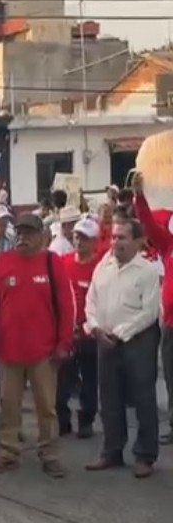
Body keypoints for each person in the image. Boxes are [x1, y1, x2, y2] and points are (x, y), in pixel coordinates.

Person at [0, 213, 74, 478]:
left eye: (29, 233)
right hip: (9, 351)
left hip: (43, 352)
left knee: (46, 407)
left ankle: (50, 454)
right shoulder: (0, 263)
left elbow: (66, 306)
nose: (23, 237)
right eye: (19, 232)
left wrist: (63, 343)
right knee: (9, 405)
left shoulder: (50, 262)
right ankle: (8, 453)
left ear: (42, 236)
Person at [84, 218, 161, 478]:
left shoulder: (148, 271)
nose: (116, 242)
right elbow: (90, 301)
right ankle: (111, 451)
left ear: (138, 241)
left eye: (122, 238)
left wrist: (118, 334)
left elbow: (150, 312)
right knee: (109, 398)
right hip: (104, 340)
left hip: (137, 342)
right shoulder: (102, 267)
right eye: (114, 237)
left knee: (143, 398)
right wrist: (94, 327)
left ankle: (145, 455)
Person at [132, 172, 173, 445]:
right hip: (171, 325)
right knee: (171, 377)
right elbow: (147, 223)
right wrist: (138, 196)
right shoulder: (168, 246)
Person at [57, 216, 102, 439]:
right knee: (62, 378)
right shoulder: (63, 262)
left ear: (95, 241)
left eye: (84, 238)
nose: (79, 241)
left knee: (90, 379)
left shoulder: (101, 266)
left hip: (91, 333)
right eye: (76, 236)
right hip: (66, 332)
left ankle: (86, 419)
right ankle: (62, 420)